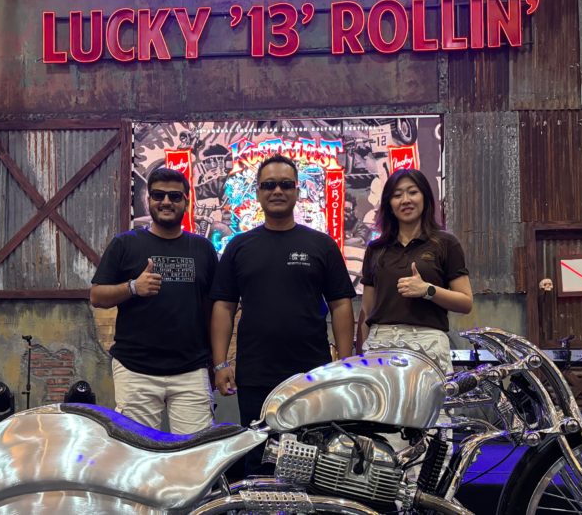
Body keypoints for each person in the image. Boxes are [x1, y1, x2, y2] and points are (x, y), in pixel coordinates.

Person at [210, 154, 356, 467]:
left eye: (286, 184)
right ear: (258, 192)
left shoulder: (322, 245)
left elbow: (341, 303)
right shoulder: (239, 247)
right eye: (269, 185)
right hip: (256, 374)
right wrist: (220, 363)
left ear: (297, 191)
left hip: (312, 374)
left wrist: (345, 363)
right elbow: (223, 305)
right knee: (258, 459)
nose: (277, 191)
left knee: (314, 460)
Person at [90, 167, 218, 434]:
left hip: (191, 370)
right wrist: (133, 287)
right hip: (136, 369)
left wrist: (217, 363)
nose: (166, 202)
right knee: (139, 451)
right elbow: (97, 296)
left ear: (186, 202)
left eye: (175, 196)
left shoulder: (202, 248)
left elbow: (213, 309)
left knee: (196, 450)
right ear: (148, 200)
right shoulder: (125, 244)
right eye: (158, 195)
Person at [356, 168, 473, 373]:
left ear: (425, 197)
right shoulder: (376, 249)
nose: (405, 200)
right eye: (397, 195)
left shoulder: (445, 243)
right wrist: (359, 360)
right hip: (380, 345)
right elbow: (367, 311)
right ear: (389, 204)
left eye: (412, 192)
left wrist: (428, 290)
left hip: (428, 344)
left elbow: (466, 302)